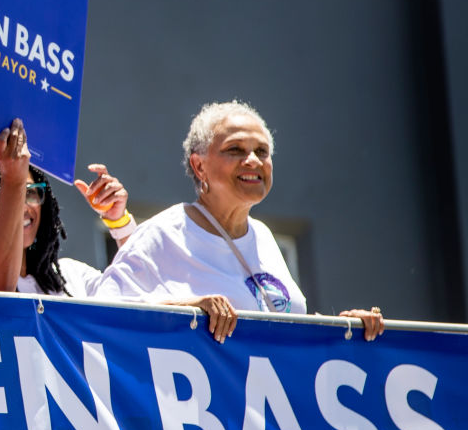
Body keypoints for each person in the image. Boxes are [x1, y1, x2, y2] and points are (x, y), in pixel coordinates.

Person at [96, 101, 384, 342]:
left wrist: (345, 328)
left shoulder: (263, 236)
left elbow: (277, 325)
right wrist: (190, 309)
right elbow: (100, 312)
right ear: (199, 166)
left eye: (262, 151)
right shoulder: (164, 233)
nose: (252, 161)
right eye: (235, 150)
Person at [0, 119, 135, 296]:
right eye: (4, 195)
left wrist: (119, 222)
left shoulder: (71, 276)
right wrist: (13, 180)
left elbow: (138, 296)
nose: (23, 206)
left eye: (30, 192)